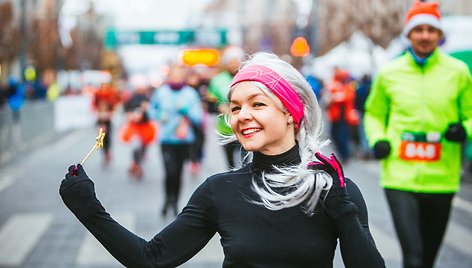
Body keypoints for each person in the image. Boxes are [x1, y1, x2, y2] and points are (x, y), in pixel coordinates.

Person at [60, 52, 385, 267]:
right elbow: (151, 259)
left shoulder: (333, 190)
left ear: (291, 113)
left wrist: (343, 210)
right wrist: (89, 208)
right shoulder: (220, 190)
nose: (242, 115)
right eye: (235, 106)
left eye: (257, 104)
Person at [364, 1, 472, 268]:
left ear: (439, 35)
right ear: (409, 34)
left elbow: (470, 114)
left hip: (442, 177)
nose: (425, 35)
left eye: (431, 30)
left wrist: (465, 129)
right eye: (418, 29)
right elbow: (373, 113)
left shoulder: (458, 72)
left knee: (427, 259)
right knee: (413, 256)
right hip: (399, 175)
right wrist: (378, 139)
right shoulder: (389, 72)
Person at [150, 64, 204, 216]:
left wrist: (187, 110)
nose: (176, 78)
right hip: (166, 138)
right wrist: (159, 116)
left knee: (179, 172)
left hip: (184, 139)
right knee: (169, 171)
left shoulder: (190, 93)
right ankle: (167, 197)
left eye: (179, 75)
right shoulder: (161, 92)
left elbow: (198, 117)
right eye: (174, 75)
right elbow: (151, 110)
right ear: (169, 76)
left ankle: (175, 202)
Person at [208, 46, 248, 169]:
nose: (234, 64)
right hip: (225, 127)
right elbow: (209, 104)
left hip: (245, 125)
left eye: (236, 60)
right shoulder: (217, 80)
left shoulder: (248, 77)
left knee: (245, 162)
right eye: (231, 61)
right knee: (230, 164)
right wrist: (219, 106)